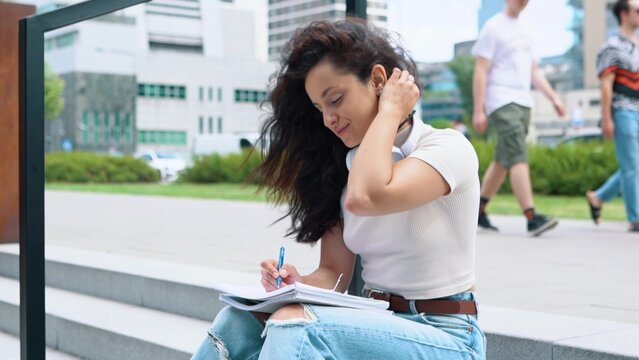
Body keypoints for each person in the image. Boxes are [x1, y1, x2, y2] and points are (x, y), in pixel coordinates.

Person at [190, 18, 486, 359]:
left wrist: (389, 112)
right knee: (239, 319)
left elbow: (369, 197)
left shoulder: (448, 150)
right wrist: (294, 285)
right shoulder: (345, 168)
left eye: (335, 99)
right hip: (373, 323)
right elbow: (334, 273)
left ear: (378, 80)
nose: (328, 118)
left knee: (294, 325)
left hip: (446, 335)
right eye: (320, 108)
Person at [471, 0, 566, 236]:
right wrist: (478, 109)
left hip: (524, 101)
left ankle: (478, 210)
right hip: (502, 100)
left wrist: (554, 98)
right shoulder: (493, 27)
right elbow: (481, 70)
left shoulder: (527, 29)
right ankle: (531, 217)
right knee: (518, 155)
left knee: (505, 158)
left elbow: (534, 72)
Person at [596, 0, 639, 232]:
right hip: (623, 111)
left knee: (633, 164)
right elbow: (606, 86)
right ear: (623, 14)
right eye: (637, 10)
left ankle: (599, 197)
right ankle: (636, 218)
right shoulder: (611, 46)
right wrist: (607, 118)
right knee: (632, 165)